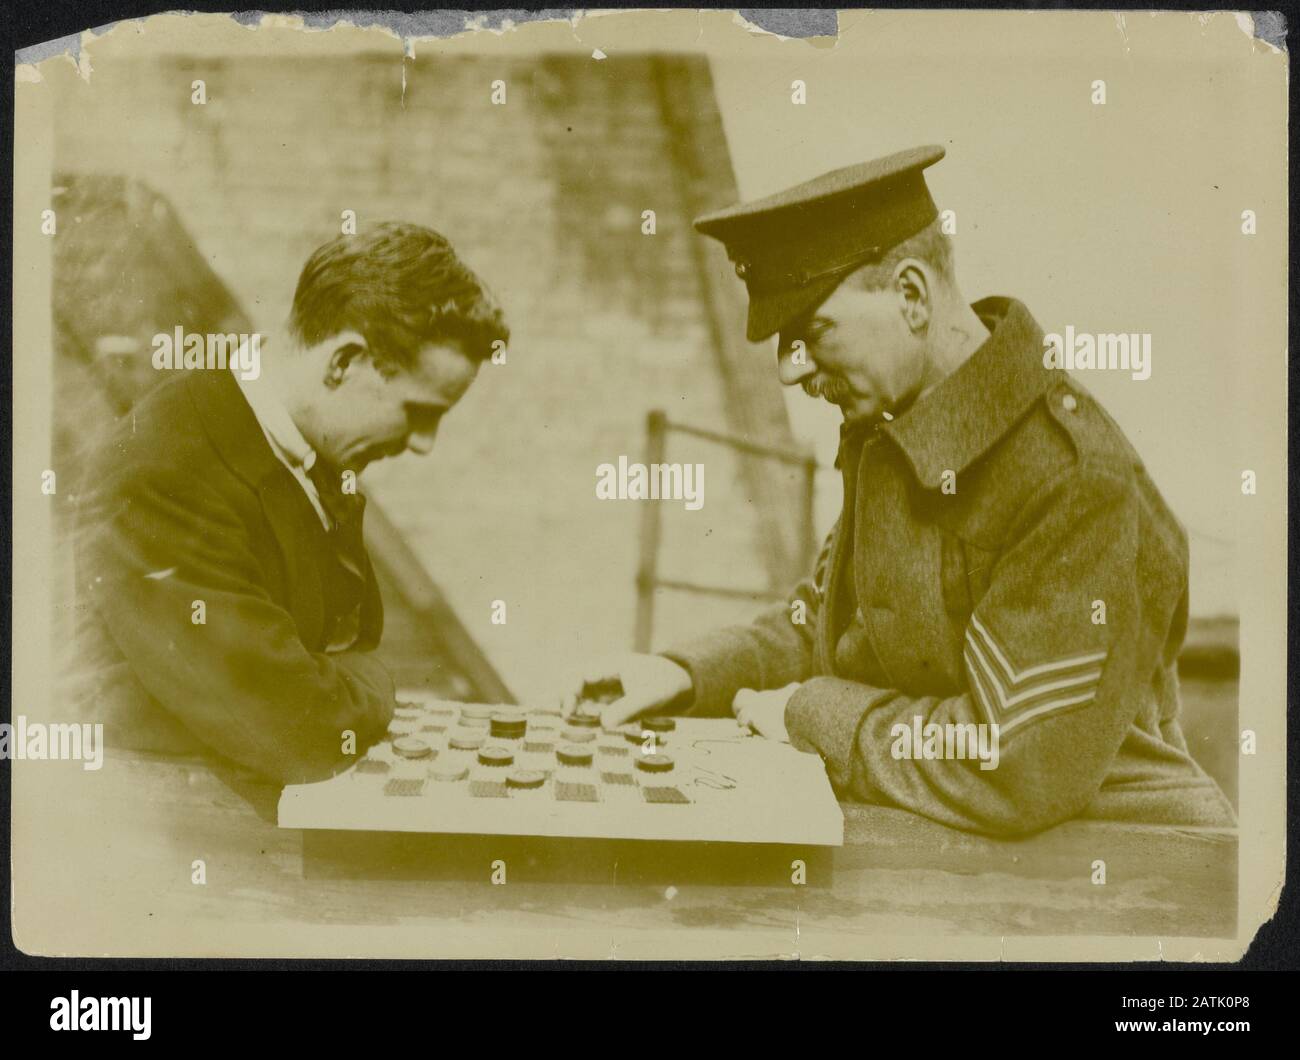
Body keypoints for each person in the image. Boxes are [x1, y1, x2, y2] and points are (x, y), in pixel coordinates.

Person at [565, 146, 1235, 836]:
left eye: (812, 331)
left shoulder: (1079, 479)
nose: (793, 375)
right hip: (945, 845)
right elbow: (827, 625)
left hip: (1120, 871)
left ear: (911, 296)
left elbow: (1008, 761)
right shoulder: (893, 433)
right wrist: (685, 675)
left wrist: (808, 715)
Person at [70, 222, 508, 784]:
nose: (424, 444)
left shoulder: (303, 449)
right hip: (155, 824)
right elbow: (298, 725)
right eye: (419, 411)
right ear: (344, 362)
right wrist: (378, 685)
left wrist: (342, 680)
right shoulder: (165, 468)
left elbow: (343, 652)